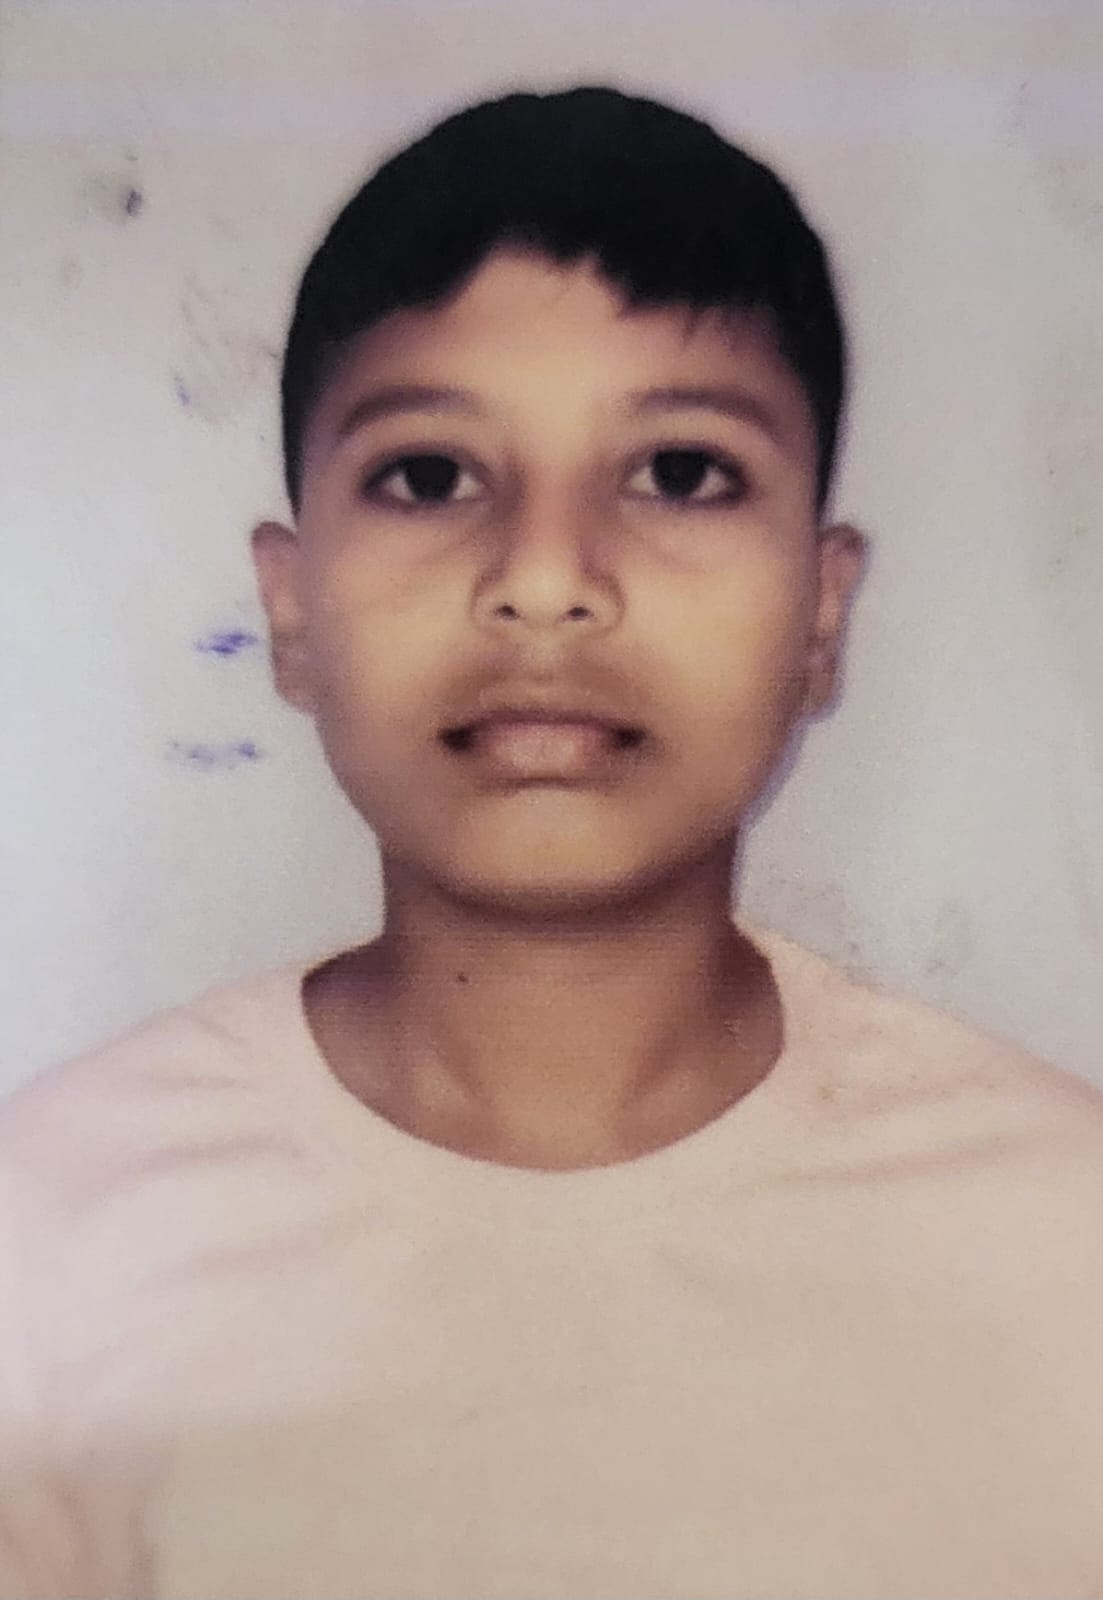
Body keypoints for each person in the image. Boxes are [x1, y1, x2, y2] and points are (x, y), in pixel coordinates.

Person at [2, 83, 1101, 1600]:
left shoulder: (1064, 1251)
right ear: (292, 609)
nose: (543, 579)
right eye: (430, 476)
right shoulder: (50, 1245)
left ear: (823, 612)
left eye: (680, 473)